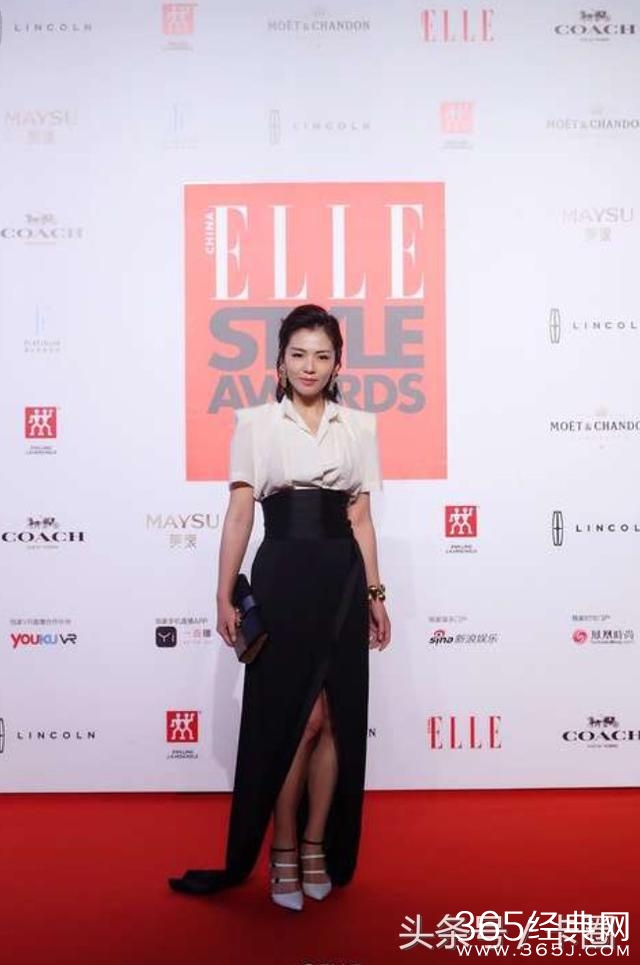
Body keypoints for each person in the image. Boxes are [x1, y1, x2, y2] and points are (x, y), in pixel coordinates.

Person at [169, 304, 391, 911]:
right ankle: (283, 848)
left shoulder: (360, 427)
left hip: (341, 580)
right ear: (280, 361)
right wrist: (223, 592)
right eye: (298, 354)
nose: (310, 366)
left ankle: (317, 844)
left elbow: (362, 519)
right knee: (298, 720)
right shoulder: (256, 424)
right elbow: (240, 513)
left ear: (338, 363)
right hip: (284, 578)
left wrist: (375, 593)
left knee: (335, 719)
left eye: (322, 355)